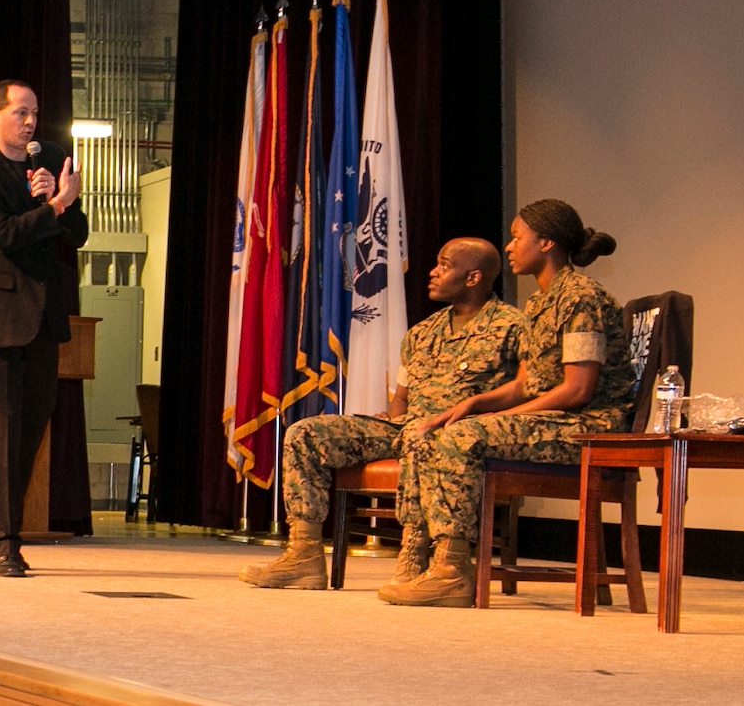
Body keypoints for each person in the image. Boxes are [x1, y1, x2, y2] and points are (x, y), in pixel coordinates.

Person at [380, 199, 632, 607]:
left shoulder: (581, 298)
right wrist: (474, 403)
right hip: (556, 418)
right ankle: (425, 555)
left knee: (462, 438)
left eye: (517, 238)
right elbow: (524, 383)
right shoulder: (539, 302)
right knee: (442, 427)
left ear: (546, 243)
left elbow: (578, 390)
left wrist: (501, 416)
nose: (510, 247)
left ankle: (453, 571)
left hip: (588, 425)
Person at [239, 237, 522, 590]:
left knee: (421, 437)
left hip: (461, 436)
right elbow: (401, 400)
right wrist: (393, 420)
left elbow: (523, 392)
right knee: (305, 434)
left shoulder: (512, 327)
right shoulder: (422, 333)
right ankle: (304, 554)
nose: (433, 273)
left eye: (444, 265)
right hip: (406, 427)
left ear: (473, 278)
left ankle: (417, 557)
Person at [0, 79, 88, 577]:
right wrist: (51, 208)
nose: (31, 122)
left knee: (29, 429)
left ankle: (7, 527)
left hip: (44, 317)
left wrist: (62, 201)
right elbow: (4, 236)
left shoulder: (49, 157)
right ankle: (3, 542)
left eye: (34, 113)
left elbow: (78, 233)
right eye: (21, 113)